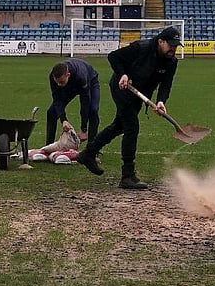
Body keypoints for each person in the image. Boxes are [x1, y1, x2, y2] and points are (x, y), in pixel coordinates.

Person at [76, 26, 181, 190]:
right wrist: (123, 74)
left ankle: (87, 154)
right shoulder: (142, 47)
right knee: (132, 126)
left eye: (175, 46)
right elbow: (114, 57)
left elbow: (166, 85)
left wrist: (161, 101)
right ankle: (128, 175)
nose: (173, 49)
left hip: (139, 93)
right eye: (171, 45)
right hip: (122, 88)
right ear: (161, 41)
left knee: (119, 126)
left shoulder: (172, 62)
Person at [45, 58, 101, 147]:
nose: (59, 85)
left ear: (68, 75)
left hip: (90, 81)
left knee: (93, 110)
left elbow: (84, 101)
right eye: (57, 82)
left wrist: (83, 129)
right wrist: (63, 120)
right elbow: (57, 99)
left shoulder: (81, 75)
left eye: (61, 82)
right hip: (70, 86)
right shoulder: (53, 76)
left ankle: (92, 149)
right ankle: (48, 146)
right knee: (51, 111)